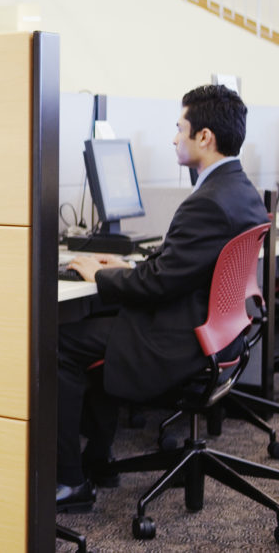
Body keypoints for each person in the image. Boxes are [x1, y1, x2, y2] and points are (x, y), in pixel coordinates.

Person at [56, 84, 268, 512]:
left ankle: (69, 482)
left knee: (62, 343)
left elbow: (157, 285)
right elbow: (178, 268)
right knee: (101, 318)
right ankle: (100, 460)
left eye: (180, 128)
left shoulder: (208, 201)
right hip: (218, 336)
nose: (174, 138)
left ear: (204, 137)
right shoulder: (240, 189)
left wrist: (103, 274)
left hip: (179, 342)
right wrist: (124, 271)